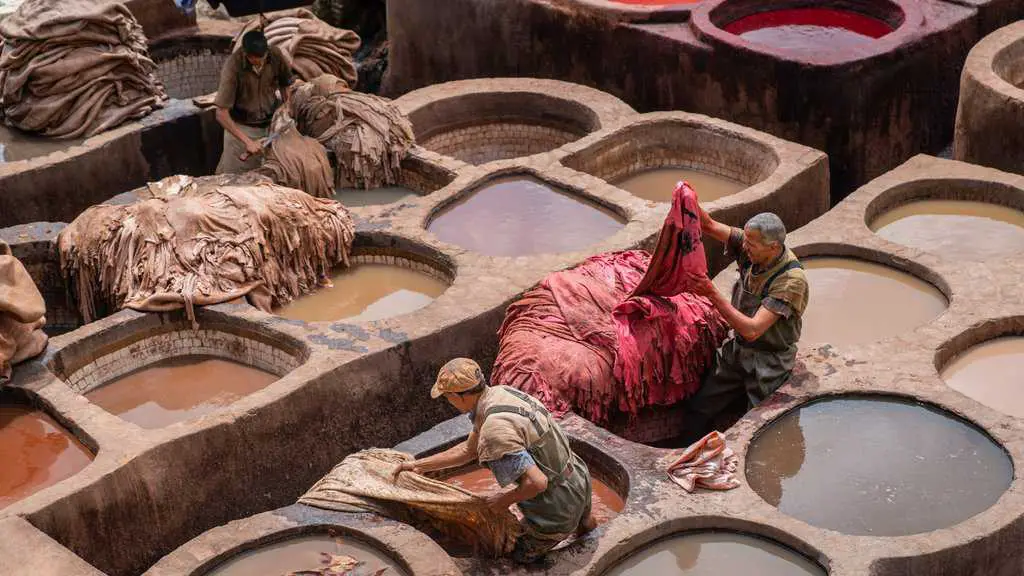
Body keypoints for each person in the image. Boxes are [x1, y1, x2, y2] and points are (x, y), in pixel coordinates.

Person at [395, 358, 597, 564]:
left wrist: (503, 500)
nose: (449, 402)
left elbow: (538, 482)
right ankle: (587, 535)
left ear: (457, 396)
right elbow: (468, 450)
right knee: (585, 521)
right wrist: (419, 465)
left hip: (556, 506)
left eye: (447, 397)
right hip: (579, 479)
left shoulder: (494, 430)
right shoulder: (500, 394)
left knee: (513, 556)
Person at [685, 207, 809, 435]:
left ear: (773, 247)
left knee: (760, 430)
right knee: (699, 408)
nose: (744, 247)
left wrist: (711, 293)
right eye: (746, 240)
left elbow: (753, 330)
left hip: (769, 361)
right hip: (738, 349)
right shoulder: (753, 244)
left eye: (751, 245)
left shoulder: (791, 281)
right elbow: (710, 225)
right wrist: (687, 201)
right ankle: (687, 444)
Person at [213, 29, 294, 174]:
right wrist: (247, 141)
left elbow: (285, 83)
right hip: (242, 128)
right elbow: (221, 114)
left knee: (271, 175)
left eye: (262, 57)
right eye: (255, 59)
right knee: (237, 180)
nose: (260, 62)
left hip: (271, 124)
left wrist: (287, 109)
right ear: (245, 53)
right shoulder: (232, 67)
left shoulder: (275, 55)